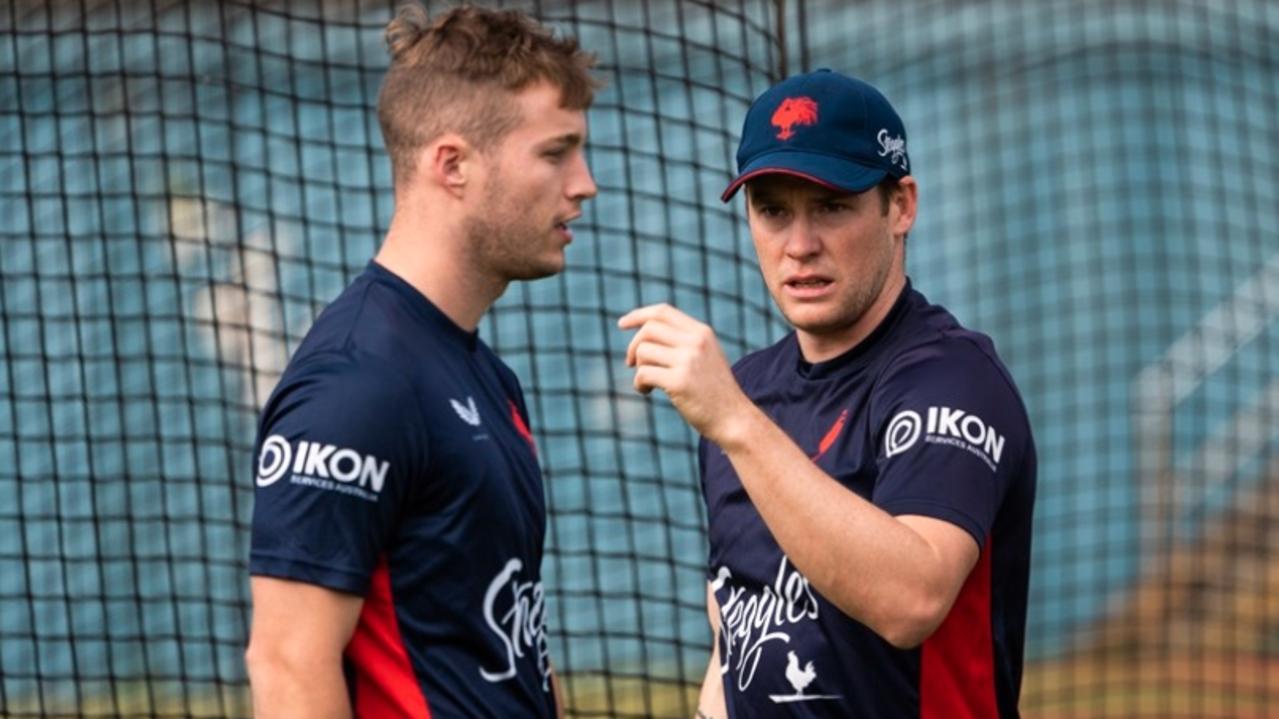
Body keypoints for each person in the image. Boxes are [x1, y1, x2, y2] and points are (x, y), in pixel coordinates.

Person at [620, 69, 1036, 717]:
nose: (799, 245)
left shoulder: (952, 380)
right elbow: (736, 635)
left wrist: (734, 421)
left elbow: (911, 599)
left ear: (900, 206)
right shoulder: (747, 389)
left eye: (832, 205)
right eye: (772, 210)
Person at [244, 4, 597, 717]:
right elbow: (286, 663)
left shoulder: (486, 376)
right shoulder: (358, 383)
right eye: (555, 153)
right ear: (452, 165)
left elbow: (507, 646)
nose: (583, 183)